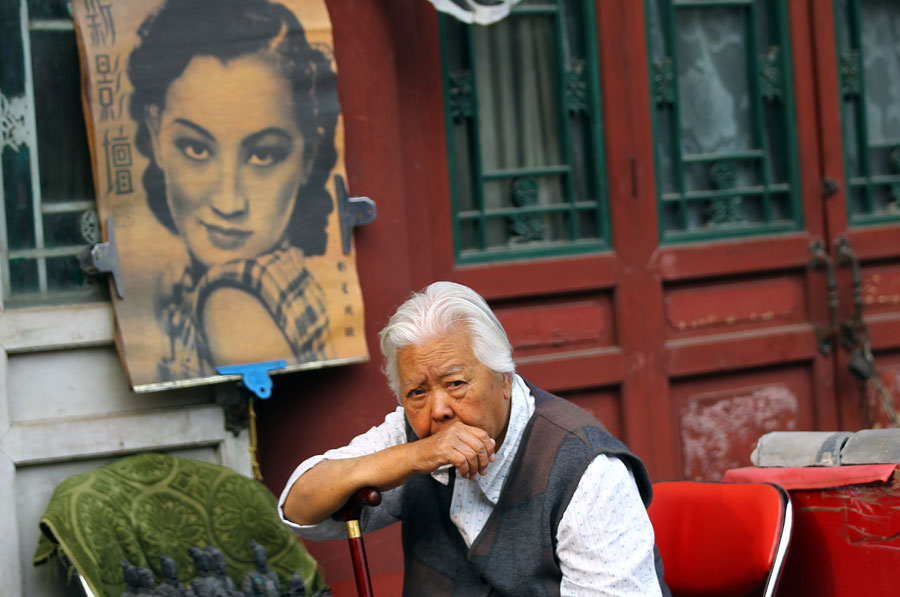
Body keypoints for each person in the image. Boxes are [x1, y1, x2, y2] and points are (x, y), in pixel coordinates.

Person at [279, 281, 669, 596]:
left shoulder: (584, 467)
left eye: (456, 383)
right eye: (417, 392)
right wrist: (407, 458)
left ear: (504, 379)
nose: (438, 409)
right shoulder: (412, 436)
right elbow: (300, 510)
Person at [127, 0, 338, 380]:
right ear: (157, 134)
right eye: (196, 148)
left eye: (263, 155)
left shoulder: (230, 301)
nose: (229, 202)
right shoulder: (275, 272)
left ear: (307, 155)